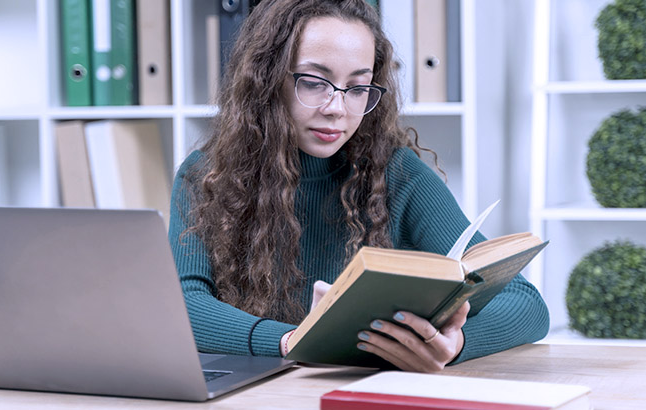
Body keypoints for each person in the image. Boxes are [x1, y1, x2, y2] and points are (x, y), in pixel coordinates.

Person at [169, 0, 549, 372]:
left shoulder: (399, 175)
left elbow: (526, 303)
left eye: (357, 87)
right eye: (315, 82)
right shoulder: (205, 176)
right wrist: (292, 342)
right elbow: (184, 304)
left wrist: (456, 344)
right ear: (267, 79)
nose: (337, 107)